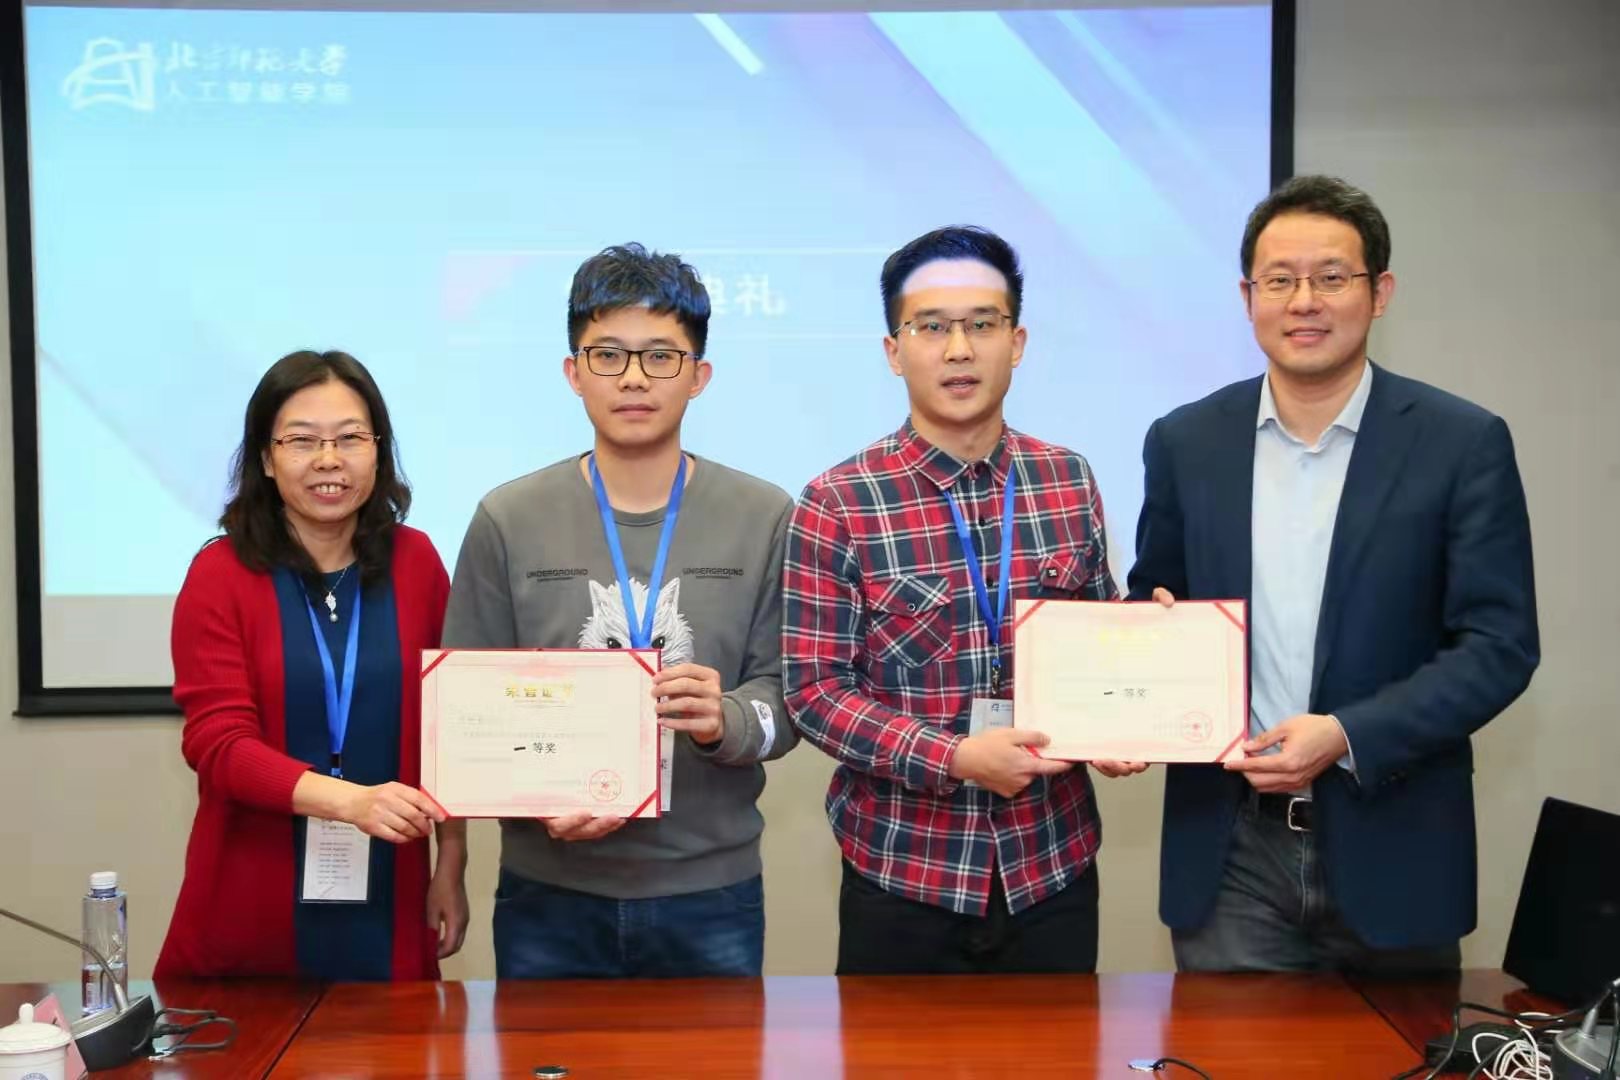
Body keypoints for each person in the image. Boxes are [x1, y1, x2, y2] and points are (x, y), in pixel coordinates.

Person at [1128, 175, 1539, 972]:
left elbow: (1500, 646)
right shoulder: (1185, 441)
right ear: (1248, 297)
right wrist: (1132, 698)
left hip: (1397, 844)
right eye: (1280, 280)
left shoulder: (1461, 443)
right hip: (1232, 853)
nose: (1304, 301)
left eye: (1331, 277)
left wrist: (1348, 734)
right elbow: (1158, 601)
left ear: (1380, 293)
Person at [782, 225, 1142, 975]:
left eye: (982, 324)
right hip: (904, 876)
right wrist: (954, 757)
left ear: (1017, 342)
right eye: (932, 327)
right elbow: (815, 692)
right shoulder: (838, 501)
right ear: (894, 350)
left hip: (1053, 865)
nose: (958, 350)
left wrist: (1136, 690)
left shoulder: (1068, 480)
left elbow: (1100, 642)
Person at [443, 243, 796, 979]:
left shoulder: (764, 515)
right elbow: (466, 707)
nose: (634, 377)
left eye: (660, 356)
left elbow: (790, 703)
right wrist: (535, 797)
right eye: (607, 355)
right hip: (550, 893)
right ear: (573, 372)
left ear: (699, 376)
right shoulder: (509, 518)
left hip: (711, 893)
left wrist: (725, 718)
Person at [157, 349, 467, 980]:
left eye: (350, 438)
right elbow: (218, 745)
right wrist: (349, 802)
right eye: (302, 441)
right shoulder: (220, 573)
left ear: (378, 451)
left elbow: (450, 729)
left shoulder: (416, 562)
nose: (329, 460)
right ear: (267, 459)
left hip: (391, 893)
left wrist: (451, 864)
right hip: (250, 900)